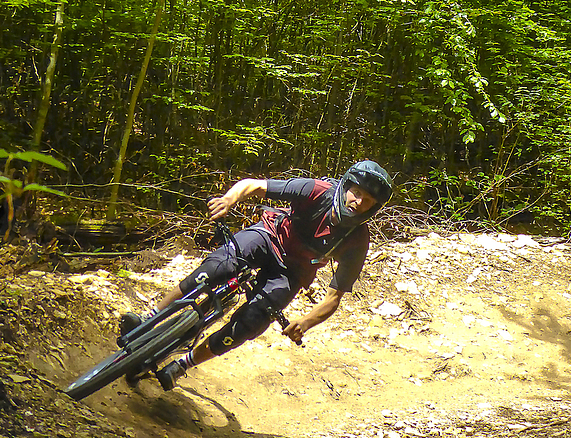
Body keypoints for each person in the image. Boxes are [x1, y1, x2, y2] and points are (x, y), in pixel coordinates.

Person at [119, 160, 392, 391]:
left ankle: (182, 365)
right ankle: (150, 318)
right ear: (345, 187)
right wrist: (229, 199)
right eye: (356, 193)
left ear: (373, 208)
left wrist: (305, 322)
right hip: (269, 237)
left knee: (251, 322)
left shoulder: (357, 239)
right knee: (215, 269)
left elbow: (335, 296)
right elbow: (256, 185)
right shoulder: (316, 191)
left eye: (367, 201)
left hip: (292, 272)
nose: (358, 202)